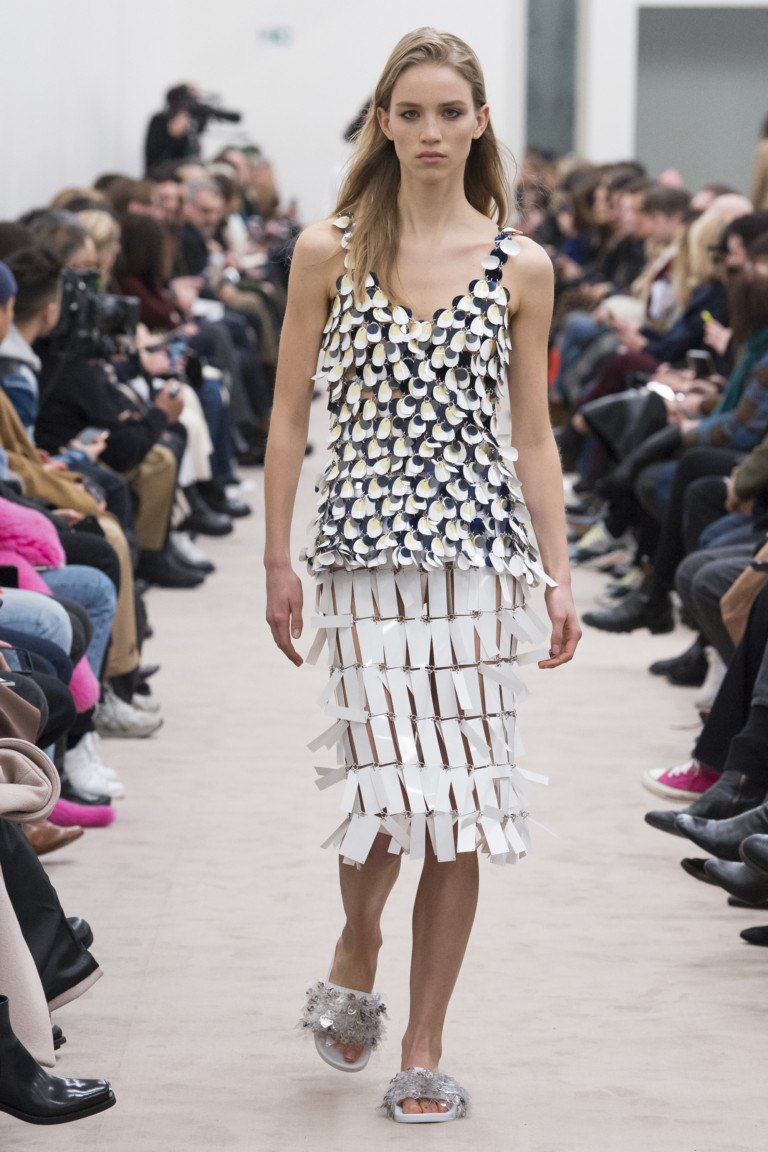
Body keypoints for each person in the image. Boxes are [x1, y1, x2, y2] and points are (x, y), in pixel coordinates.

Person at [263, 27, 579, 1123]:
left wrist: (558, 573)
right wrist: (275, 556)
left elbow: (532, 434)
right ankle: (358, 942)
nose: (433, 131)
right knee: (386, 792)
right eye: (412, 113)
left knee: (464, 803)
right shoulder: (328, 251)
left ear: (480, 122)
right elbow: (289, 413)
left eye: (451, 112)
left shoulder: (522, 265)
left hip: (479, 562)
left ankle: (426, 1044)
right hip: (361, 560)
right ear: (384, 124)